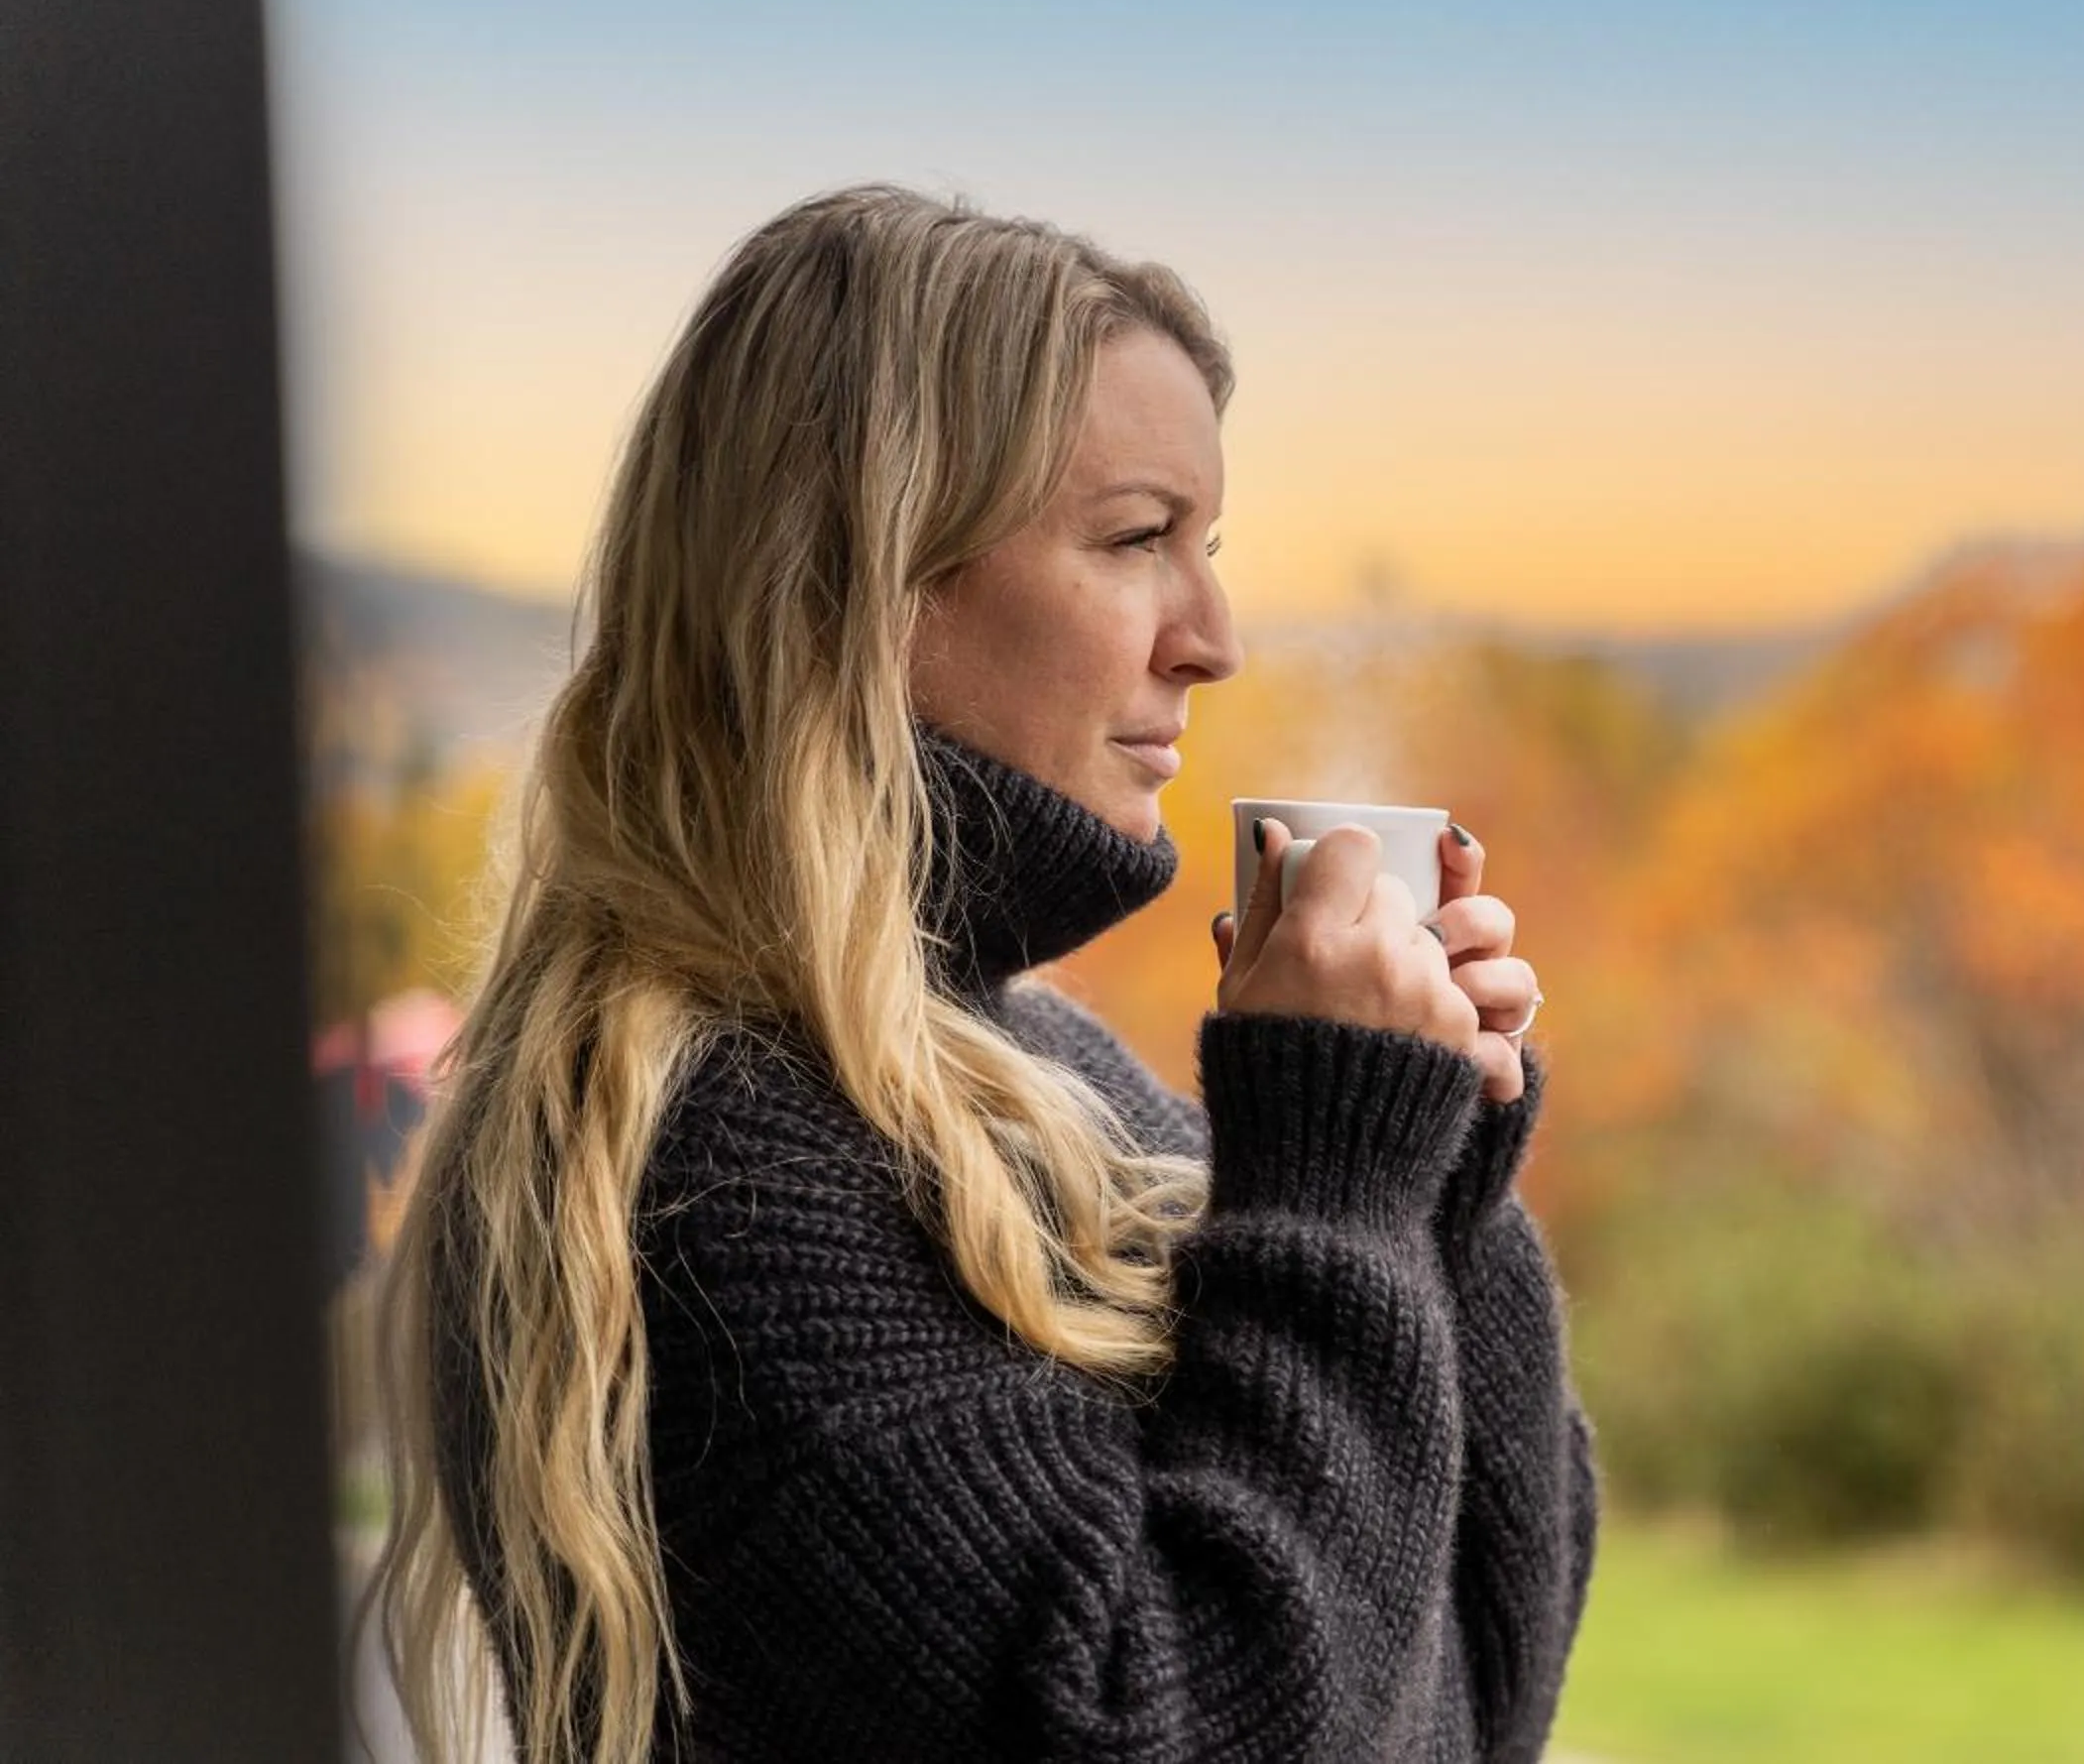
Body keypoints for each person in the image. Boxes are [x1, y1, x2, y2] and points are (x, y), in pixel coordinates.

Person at [361, 183, 1597, 1762]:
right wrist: (1335, 1187)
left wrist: (1433, 1188)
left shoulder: (1049, 1076)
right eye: (1139, 539)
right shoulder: (722, 1166)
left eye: (1208, 546)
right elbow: (1199, 1729)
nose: (1213, 636)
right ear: (857, 578)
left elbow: (1473, 1694)